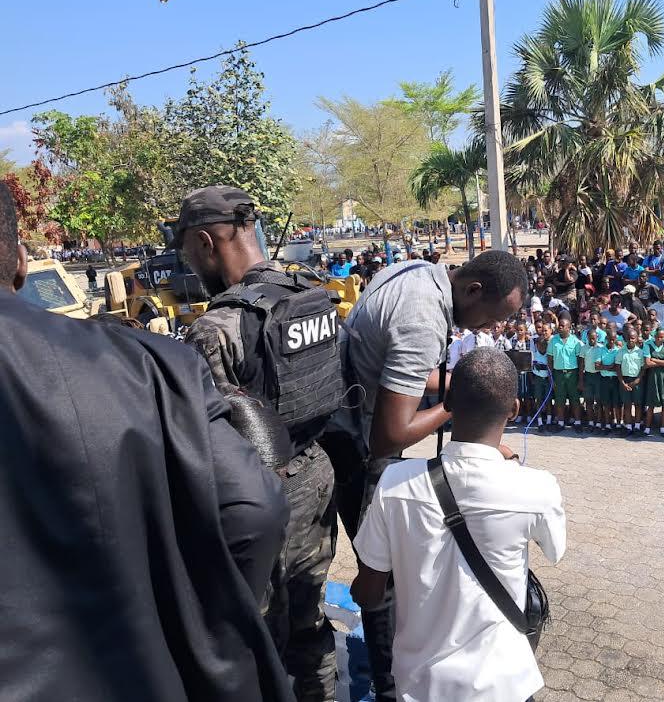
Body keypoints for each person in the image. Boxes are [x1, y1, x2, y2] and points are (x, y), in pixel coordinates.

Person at [0, 182, 293, 702]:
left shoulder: (193, 343)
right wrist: (206, 637)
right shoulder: (150, 366)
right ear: (22, 262)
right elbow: (254, 511)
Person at [325, 247, 527, 700]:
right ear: (473, 289)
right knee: (383, 578)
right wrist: (459, 405)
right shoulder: (424, 318)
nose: (488, 330)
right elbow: (390, 436)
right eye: (491, 318)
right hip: (357, 446)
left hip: (346, 423)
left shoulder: (418, 273)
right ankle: (390, 687)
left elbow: (402, 374)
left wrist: (463, 385)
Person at [173, 186, 338, 701]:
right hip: (318, 476)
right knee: (311, 625)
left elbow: (208, 444)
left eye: (187, 253)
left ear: (205, 242)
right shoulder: (312, 294)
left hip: (259, 499)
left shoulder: (215, 328)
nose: (190, 264)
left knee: (257, 632)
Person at [350, 348, 566, 700]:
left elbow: (369, 593)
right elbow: (555, 550)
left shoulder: (395, 482)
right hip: (504, 683)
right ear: (513, 409)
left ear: (447, 402)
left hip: (421, 686)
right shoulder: (537, 487)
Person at [547, 315, 583, 433]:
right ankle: (560, 423)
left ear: (569, 328)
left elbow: (580, 360)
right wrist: (551, 376)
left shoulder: (576, 342)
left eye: (563, 326)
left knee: (575, 399)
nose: (559, 328)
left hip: (572, 373)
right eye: (559, 325)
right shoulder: (554, 340)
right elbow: (550, 359)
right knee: (559, 399)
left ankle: (577, 423)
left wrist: (580, 378)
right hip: (558, 374)